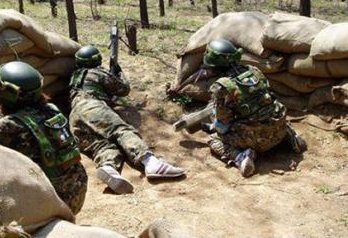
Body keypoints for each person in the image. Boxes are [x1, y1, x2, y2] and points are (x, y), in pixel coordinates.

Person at [0, 61, 87, 214]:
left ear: (4, 95)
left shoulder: (5, 127)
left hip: (52, 202)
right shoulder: (52, 110)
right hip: (77, 192)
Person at [69, 45, 185, 194]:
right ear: (97, 59)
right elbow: (124, 89)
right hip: (92, 107)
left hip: (74, 118)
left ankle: (109, 168)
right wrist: (118, 71)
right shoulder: (98, 73)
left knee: (102, 145)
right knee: (121, 130)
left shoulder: (74, 76)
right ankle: (151, 163)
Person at [202, 39, 306, 177]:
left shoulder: (221, 87)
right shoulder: (254, 71)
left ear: (214, 64)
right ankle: (289, 135)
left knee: (214, 139)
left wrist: (215, 124)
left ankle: (241, 157)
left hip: (255, 140)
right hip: (277, 128)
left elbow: (224, 125)